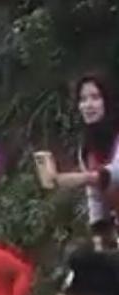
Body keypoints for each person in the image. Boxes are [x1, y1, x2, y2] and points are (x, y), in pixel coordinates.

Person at [52, 74, 119, 248]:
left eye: (95, 98)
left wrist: (81, 178)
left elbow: (115, 173)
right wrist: (100, 236)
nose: (88, 105)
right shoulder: (86, 148)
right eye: (83, 99)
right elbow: (96, 197)